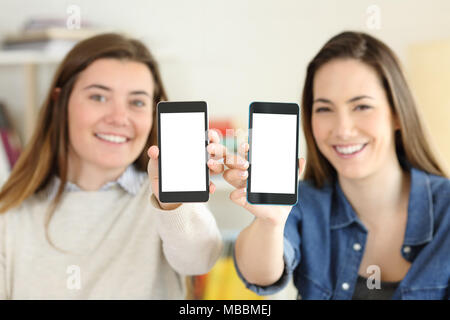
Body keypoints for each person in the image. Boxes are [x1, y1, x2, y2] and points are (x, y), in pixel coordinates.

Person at [224, 31, 450, 300]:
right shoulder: (304, 202)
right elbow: (259, 276)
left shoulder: (445, 209)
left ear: (397, 114)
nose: (342, 130)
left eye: (362, 107)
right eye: (324, 109)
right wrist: (270, 222)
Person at [0, 33, 225, 299]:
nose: (119, 118)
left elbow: (199, 259)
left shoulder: (167, 202)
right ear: (60, 101)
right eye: (98, 97)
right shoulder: (12, 215)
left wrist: (172, 202)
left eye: (137, 102)